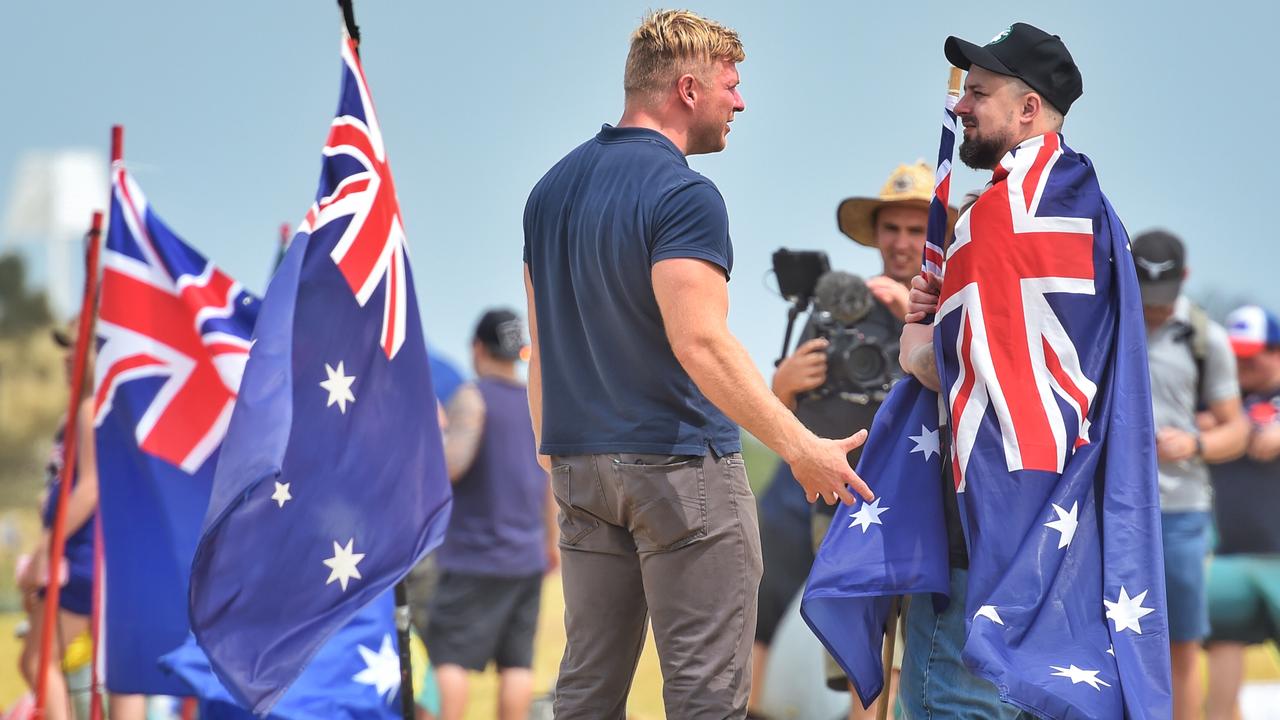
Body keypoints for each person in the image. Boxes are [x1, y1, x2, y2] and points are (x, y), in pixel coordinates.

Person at [522, 10, 872, 719]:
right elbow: (701, 343)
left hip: (580, 467)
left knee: (585, 695)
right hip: (682, 472)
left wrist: (553, 458)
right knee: (704, 700)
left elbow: (539, 344)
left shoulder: (548, 192)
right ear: (688, 88)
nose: (739, 102)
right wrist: (800, 446)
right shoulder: (684, 194)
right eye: (730, 85)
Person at [901, 21, 1159, 718]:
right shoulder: (1093, 212)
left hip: (983, 550)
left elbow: (968, 373)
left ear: (1027, 110)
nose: (960, 108)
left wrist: (914, 339)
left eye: (977, 94)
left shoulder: (998, 217)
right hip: (1064, 549)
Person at [753, 163, 957, 720]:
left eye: (918, 230)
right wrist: (782, 386)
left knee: (918, 665)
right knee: (857, 670)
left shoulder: (960, 306)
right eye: (891, 228)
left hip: (928, 510)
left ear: (938, 235)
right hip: (847, 508)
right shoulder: (837, 309)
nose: (902, 242)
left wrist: (915, 319)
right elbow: (783, 418)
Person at [1130, 230, 1249, 720]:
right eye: (1145, 292)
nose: (1155, 307)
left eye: (1165, 295)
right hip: (1118, 510)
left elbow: (1236, 429)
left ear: (1185, 280)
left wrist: (1194, 443)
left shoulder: (1206, 337)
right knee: (1120, 639)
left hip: (1181, 513)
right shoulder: (1110, 322)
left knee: (1182, 644)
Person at [424, 309, 555, 720]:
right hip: (526, 557)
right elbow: (550, 484)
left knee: (448, 658)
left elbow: (453, 465)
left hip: (473, 556)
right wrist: (551, 545)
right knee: (517, 664)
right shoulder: (537, 405)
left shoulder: (472, 396)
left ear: (477, 348)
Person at [16, 321, 98, 720]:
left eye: (79, 346)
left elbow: (89, 490)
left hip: (79, 557)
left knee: (36, 661)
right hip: (76, 554)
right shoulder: (76, 415)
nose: (68, 356)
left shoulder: (88, 410)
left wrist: (44, 551)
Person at [1204, 305, 1280, 720]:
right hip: (1231, 552)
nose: (1243, 363)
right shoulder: (1224, 397)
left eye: (1253, 355)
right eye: (1236, 355)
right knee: (1222, 640)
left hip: (1278, 552)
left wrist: (1236, 432)